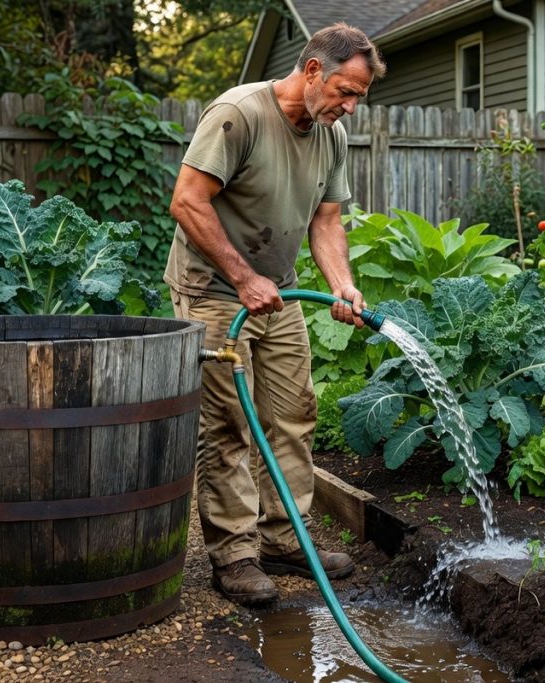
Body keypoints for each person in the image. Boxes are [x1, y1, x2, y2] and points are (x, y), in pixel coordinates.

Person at [165, 23, 386, 606]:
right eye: (345, 91)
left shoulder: (329, 136)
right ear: (313, 70)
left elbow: (326, 221)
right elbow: (187, 200)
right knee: (230, 424)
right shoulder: (239, 114)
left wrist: (343, 286)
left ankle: (282, 540)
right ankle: (234, 556)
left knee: (293, 413)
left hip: (279, 294)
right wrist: (242, 276)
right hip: (212, 291)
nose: (350, 107)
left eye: (359, 96)